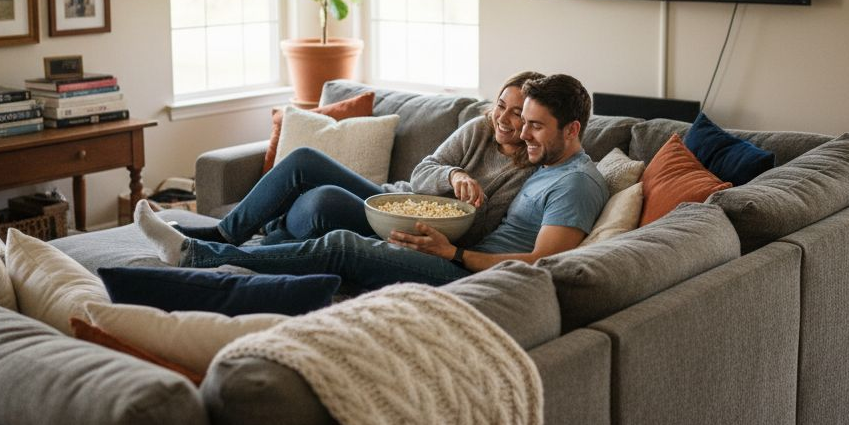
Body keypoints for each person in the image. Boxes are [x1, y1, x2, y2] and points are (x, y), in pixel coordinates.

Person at [139, 73, 609, 291]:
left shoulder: (569, 181)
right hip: (413, 213)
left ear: (571, 130)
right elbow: (428, 167)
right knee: (306, 165)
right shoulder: (541, 159)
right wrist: (454, 174)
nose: (517, 129)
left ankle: (214, 254)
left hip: (455, 258)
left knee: (330, 222)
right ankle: (218, 240)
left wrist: (456, 253)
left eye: (532, 124)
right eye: (511, 115)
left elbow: (543, 265)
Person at [172, 71, 543, 250]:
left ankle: (271, 233)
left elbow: (479, 232)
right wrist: (454, 174)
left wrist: (464, 206)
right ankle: (224, 234)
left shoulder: (527, 172)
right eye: (500, 106)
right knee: (303, 160)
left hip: (416, 231)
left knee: (320, 201)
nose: (503, 119)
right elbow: (421, 174)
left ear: (531, 120)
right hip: (391, 200)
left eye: (516, 114)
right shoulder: (478, 129)